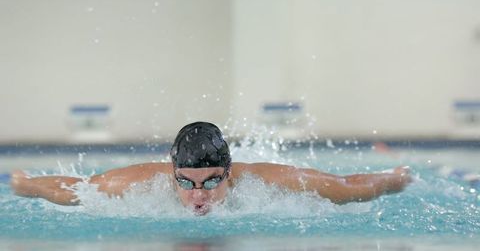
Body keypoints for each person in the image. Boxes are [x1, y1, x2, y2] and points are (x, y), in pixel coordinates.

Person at [11, 122, 411, 215]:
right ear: (172, 173)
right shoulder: (138, 184)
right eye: (185, 182)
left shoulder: (266, 183)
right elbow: (75, 188)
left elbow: (347, 184)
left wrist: (394, 180)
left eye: (211, 181)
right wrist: (26, 185)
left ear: (229, 172)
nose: (198, 195)